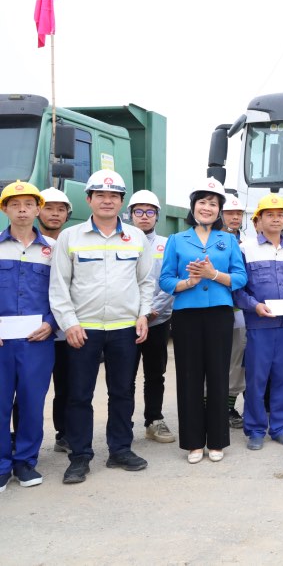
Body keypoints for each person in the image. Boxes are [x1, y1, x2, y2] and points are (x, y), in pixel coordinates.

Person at [50, 170, 155, 484]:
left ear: (121, 201)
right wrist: (68, 323)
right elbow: (59, 286)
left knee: (122, 392)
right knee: (78, 395)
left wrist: (143, 315)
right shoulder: (71, 237)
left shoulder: (135, 237)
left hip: (125, 328)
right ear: (89, 200)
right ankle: (80, 456)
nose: (107, 200)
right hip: (84, 329)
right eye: (100, 195)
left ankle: (120, 449)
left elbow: (146, 281)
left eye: (113, 196)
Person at [159, 178, 247, 464]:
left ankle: (218, 440)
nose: (207, 208)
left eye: (213, 203)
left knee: (218, 375)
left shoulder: (229, 240)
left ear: (219, 210)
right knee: (189, 377)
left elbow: (241, 277)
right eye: (202, 202)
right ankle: (194, 441)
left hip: (220, 314)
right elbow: (165, 279)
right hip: (187, 315)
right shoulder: (177, 240)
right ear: (193, 207)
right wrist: (189, 281)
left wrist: (213, 276)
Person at [234, 195, 283, 450]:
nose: (276, 218)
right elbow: (238, 290)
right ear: (258, 220)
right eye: (269, 214)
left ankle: (280, 427)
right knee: (256, 380)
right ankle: (254, 429)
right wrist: (255, 306)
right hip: (258, 327)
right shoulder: (245, 249)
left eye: (280, 214)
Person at [0, 182, 56, 489]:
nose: (22, 210)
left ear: (38, 210)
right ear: (5, 209)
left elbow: (62, 291)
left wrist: (52, 322)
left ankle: (25, 462)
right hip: (2, 342)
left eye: (28, 204)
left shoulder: (51, 250)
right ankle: (1, 464)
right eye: (15, 204)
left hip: (38, 340)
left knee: (32, 403)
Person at [126, 189, 176, 444]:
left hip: (157, 320)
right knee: (125, 376)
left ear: (157, 216)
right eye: (138, 211)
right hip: (126, 322)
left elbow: (170, 281)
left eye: (149, 212)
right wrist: (135, 313)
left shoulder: (166, 245)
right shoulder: (121, 241)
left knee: (155, 374)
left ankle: (153, 420)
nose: (144, 216)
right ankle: (123, 425)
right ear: (130, 214)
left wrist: (150, 310)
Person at [36, 187, 71, 453]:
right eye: (49, 208)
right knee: (27, 390)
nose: (55, 214)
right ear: (39, 211)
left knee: (67, 387)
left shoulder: (72, 243)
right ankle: (20, 439)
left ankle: (64, 434)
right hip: (33, 331)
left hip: (65, 331)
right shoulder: (29, 245)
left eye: (61, 209)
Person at [220, 194, 249, 429]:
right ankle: (211, 405)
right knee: (215, 360)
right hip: (215, 309)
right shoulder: (211, 240)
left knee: (236, 361)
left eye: (239, 213)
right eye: (230, 212)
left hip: (240, 311)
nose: (235, 217)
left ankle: (228, 407)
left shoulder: (248, 242)